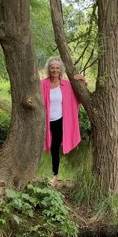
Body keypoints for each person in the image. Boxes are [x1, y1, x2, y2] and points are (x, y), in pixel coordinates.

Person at [41, 57, 86, 186]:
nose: (55, 70)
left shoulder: (66, 84)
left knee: (54, 148)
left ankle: (55, 176)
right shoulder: (42, 84)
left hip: (59, 120)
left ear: (61, 70)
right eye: (52, 68)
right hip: (44, 121)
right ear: (49, 69)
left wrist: (82, 79)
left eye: (57, 68)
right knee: (38, 145)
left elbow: (79, 94)